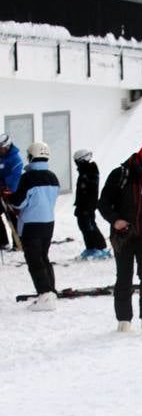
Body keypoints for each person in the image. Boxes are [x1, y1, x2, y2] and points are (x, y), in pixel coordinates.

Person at [97, 144, 142, 333]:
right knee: (123, 277)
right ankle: (123, 320)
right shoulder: (119, 175)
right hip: (123, 235)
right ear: (139, 162)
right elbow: (103, 203)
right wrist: (115, 220)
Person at [8, 141, 60, 311]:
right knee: (44, 257)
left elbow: (19, 203)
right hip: (48, 223)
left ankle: (44, 295)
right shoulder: (53, 177)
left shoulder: (28, 178)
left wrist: (10, 198)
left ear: (31, 156)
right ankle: (50, 292)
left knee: (34, 261)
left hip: (31, 225)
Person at [73, 149, 109, 259]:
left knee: (88, 226)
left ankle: (98, 247)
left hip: (87, 206)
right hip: (84, 205)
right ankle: (92, 247)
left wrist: (86, 206)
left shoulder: (88, 172)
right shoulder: (86, 171)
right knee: (85, 225)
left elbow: (90, 192)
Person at [0, 131, 24, 250]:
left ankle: (18, 243)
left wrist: (5, 185)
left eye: (2, 148)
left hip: (11, 192)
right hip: (0, 190)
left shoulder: (15, 159)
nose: (1, 150)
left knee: (12, 217)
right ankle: (3, 241)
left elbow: (16, 177)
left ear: (8, 146)